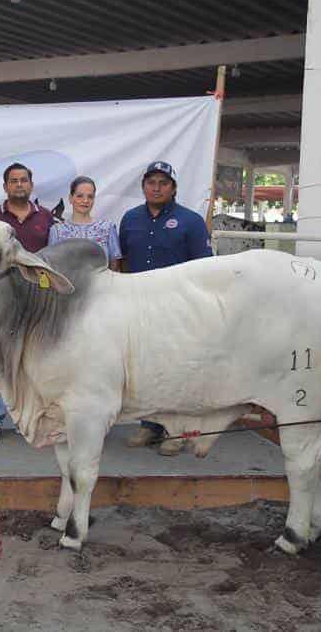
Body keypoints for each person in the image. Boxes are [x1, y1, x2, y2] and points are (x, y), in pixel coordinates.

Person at [119, 161, 212, 455]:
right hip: (139, 307)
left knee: (178, 369)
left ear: (173, 188)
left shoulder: (192, 221)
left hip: (179, 309)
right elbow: (121, 263)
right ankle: (150, 424)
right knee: (145, 368)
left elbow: (205, 268)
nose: (156, 188)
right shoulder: (130, 219)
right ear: (143, 186)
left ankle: (178, 430)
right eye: (151, 182)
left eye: (163, 182)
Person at [0, 162, 55, 441]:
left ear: (31, 185)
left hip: (39, 301)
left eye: (24, 180)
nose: (19, 184)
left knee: (38, 361)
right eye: (13, 181)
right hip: (0, 299)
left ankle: (38, 419)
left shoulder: (47, 218)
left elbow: (53, 259)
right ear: (6, 186)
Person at [48, 176, 122, 271]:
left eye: (90, 197)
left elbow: (115, 265)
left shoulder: (107, 228)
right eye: (80, 196)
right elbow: (52, 266)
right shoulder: (57, 231)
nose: (85, 201)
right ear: (70, 198)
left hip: (102, 284)